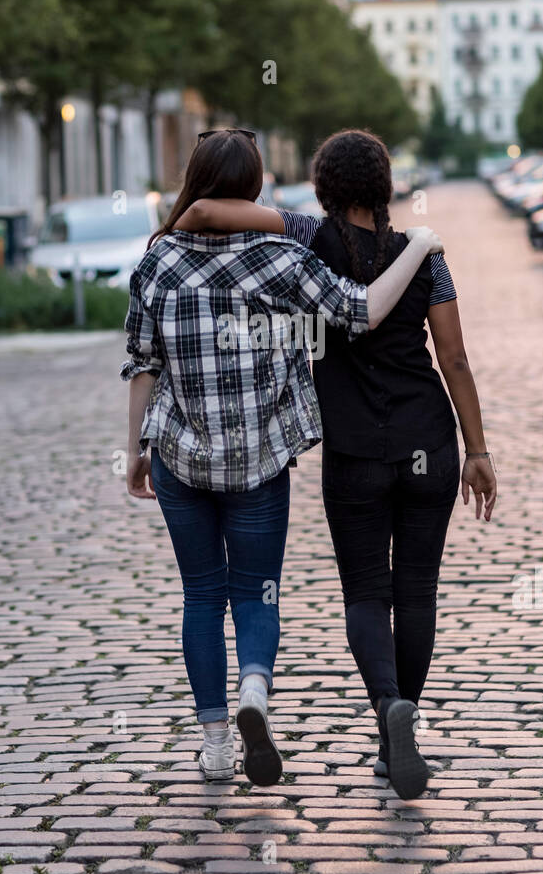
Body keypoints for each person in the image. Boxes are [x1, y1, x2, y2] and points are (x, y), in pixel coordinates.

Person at [175, 127, 496, 799]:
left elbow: (205, 212)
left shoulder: (303, 236)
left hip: (353, 450)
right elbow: (456, 359)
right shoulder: (422, 256)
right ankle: (398, 724)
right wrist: (477, 449)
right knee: (416, 592)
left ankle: (387, 710)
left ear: (324, 188)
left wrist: (179, 213)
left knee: (364, 595)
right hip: (427, 442)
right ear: (384, 187)